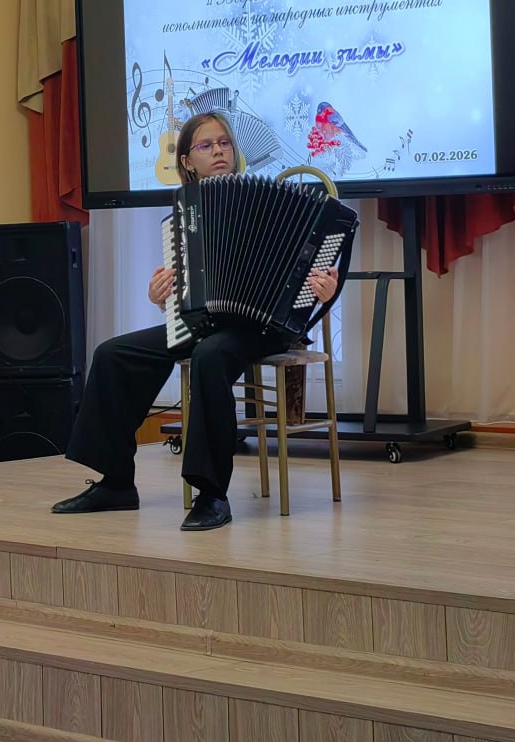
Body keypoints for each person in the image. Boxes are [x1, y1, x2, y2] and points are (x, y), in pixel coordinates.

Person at [51, 110, 341, 531]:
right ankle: (116, 483)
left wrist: (323, 289)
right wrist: (160, 296)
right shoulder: (185, 214)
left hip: (267, 326)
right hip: (208, 322)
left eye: (224, 143)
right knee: (113, 354)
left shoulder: (266, 198)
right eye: (206, 145)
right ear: (187, 161)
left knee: (209, 355)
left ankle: (212, 495)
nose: (218, 151)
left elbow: (317, 269)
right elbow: (185, 294)